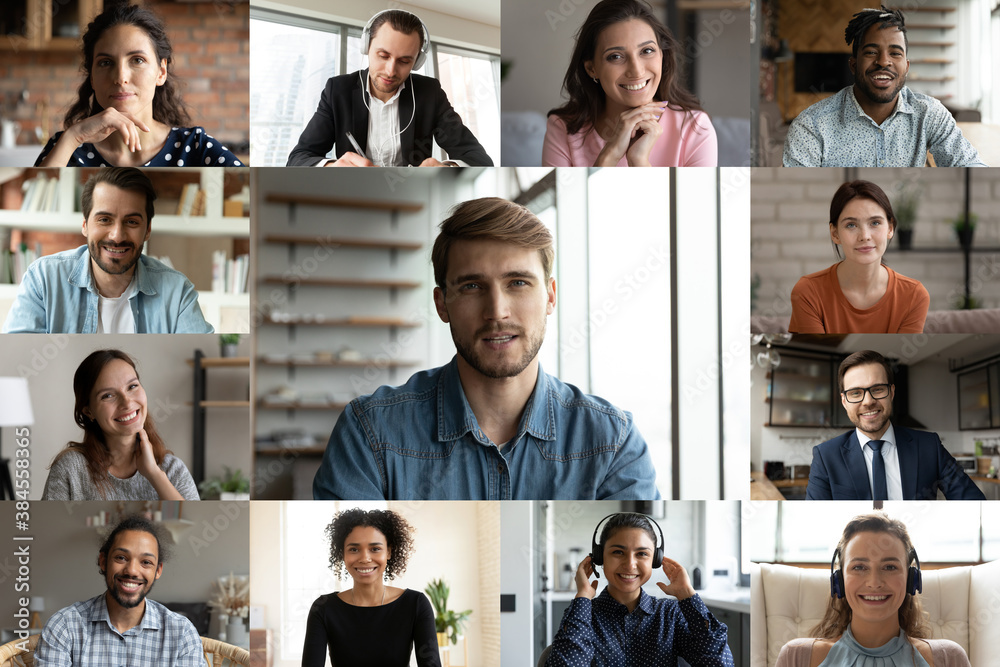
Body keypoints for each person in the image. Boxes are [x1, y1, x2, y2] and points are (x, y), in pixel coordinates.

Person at [313, 197, 658, 500]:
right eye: (472, 286)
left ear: (550, 295)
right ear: (442, 303)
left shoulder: (614, 443)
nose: (497, 311)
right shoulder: (369, 432)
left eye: (518, 283)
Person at [3, 168, 214, 333]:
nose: (117, 236)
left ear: (147, 230)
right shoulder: (43, 279)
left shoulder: (177, 291)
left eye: (131, 222)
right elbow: (15, 360)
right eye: (104, 220)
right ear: (85, 225)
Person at [34, 2, 242, 168]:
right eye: (106, 63)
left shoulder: (197, 147)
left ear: (161, 72)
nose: (120, 77)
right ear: (91, 78)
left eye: (137, 60)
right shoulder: (66, 146)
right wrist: (74, 137)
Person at [783, 6, 986, 167]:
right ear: (853, 65)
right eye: (871, 52)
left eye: (895, 53)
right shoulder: (811, 127)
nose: (883, 62)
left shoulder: (929, 114)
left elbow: (969, 166)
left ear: (906, 67)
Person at [286, 9, 492, 167]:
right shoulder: (337, 90)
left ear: (417, 61)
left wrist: (447, 168)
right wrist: (332, 165)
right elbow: (299, 157)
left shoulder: (430, 93)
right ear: (366, 47)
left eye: (404, 61)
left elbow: (477, 158)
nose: (390, 71)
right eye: (383, 56)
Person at [776, 512, 971, 666]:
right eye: (859, 567)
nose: (874, 582)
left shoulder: (948, 658)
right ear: (839, 580)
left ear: (911, 579)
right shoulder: (797, 657)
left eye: (889, 567)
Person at [542, 0, 716, 167]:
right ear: (591, 68)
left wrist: (638, 160)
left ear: (662, 56)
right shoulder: (562, 128)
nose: (637, 71)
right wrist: (609, 154)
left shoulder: (695, 127)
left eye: (647, 51)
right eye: (616, 56)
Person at [547, 513, 733, 666]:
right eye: (618, 552)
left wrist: (688, 595)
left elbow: (719, 663)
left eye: (642, 554)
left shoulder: (670, 615)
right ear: (599, 557)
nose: (630, 564)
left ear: (655, 560)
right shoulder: (583, 615)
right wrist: (583, 597)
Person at [806, 350, 985, 500]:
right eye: (855, 393)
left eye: (877, 389)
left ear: (891, 392)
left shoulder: (929, 446)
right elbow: (815, 522)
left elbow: (975, 503)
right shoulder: (826, 456)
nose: (868, 401)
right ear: (844, 401)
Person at [34, 514, 204, 666]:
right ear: (103, 561)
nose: (132, 571)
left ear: (158, 570)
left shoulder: (182, 633)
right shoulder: (64, 626)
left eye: (146, 562)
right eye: (121, 558)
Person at [41, 349, 199, 501]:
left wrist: (154, 474)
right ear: (89, 411)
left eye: (132, 386)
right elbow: (46, 527)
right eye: (108, 395)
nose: (127, 402)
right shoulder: (70, 469)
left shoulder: (173, 470)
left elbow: (193, 525)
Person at [301, 508, 441, 667]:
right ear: (342, 554)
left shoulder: (415, 604)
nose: (365, 558)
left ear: (388, 551)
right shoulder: (323, 608)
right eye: (354, 549)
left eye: (375, 549)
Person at [789, 180, 929, 333]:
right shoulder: (808, 291)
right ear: (835, 233)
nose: (865, 236)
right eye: (851, 225)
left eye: (875, 223)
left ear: (890, 228)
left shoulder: (914, 295)